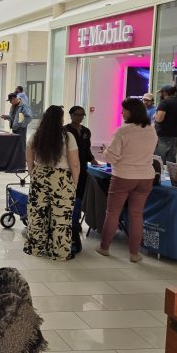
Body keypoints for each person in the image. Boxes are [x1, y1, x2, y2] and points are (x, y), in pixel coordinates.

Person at [97, 98, 158, 263]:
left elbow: (111, 157)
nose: (121, 113)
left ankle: (104, 248)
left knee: (113, 212)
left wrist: (105, 152)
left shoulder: (123, 131)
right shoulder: (151, 130)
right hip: (146, 177)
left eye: (123, 110)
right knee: (137, 215)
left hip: (124, 176)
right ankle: (134, 254)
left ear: (131, 112)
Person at [24, 106, 80, 261]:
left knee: (37, 214)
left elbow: (29, 158)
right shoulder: (68, 137)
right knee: (61, 216)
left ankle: (36, 248)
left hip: (40, 175)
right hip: (62, 178)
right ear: (61, 119)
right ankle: (59, 252)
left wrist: (33, 174)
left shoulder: (36, 135)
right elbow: (75, 163)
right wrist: (74, 182)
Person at [65, 106, 98, 253]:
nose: (79, 117)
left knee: (79, 195)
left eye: (82, 115)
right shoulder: (65, 130)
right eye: (76, 115)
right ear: (71, 115)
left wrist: (93, 160)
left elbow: (87, 150)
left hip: (82, 168)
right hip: (68, 168)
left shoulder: (86, 131)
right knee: (69, 194)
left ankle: (76, 221)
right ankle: (68, 220)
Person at [154, 84, 177, 163]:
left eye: (161, 92)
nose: (160, 95)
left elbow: (159, 119)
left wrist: (155, 115)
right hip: (175, 136)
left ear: (165, 92)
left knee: (159, 161)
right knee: (170, 161)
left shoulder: (164, 102)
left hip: (162, 136)